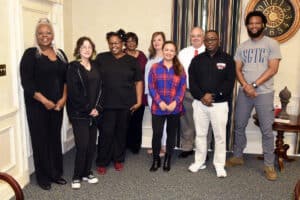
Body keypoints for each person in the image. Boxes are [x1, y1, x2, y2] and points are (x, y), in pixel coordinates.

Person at [226, 11, 281, 181]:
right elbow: (237, 69)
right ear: (247, 26)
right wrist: (245, 86)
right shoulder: (242, 46)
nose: (254, 26)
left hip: (264, 93)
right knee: (239, 124)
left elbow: (273, 69)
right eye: (251, 23)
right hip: (244, 92)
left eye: (257, 23)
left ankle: (269, 165)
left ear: (263, 24)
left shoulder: (272, 43)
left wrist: (254, 85)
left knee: (266, 130)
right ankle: (238, 156)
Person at [20, 18, 68, 190]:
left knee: (54, 139)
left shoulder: (61, 54)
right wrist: (45, 101)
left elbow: (66, 80)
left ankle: (56, 174)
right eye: (41, 33)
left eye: (48, 33)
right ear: (36, 35)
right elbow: (27, 83)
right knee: (41, 140)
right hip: (37, 106)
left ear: (52, 35)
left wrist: (63, 99)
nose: (44, 36)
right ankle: (43, 177)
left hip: (57, 106)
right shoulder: (31, 54)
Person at [188, 30, 235, 178]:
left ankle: (219, 164)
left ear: (218, 40)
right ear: (204, 41)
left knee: (220, 136)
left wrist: (213, 96)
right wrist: (202, 96)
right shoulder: (197, 60)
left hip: (219, 104)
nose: (209, 42)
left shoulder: (227, 59)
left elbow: (229, 82)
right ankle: (199, 161)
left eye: (213, 39)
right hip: (200, 103)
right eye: (207, 40)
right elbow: (192, 81)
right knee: (201, 134)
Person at [95, 30, 143, 175]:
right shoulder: (101, 58)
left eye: (116, 43)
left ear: (122, 43)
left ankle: (118, 159)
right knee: (106, 133)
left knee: (121, 133)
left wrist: (139, 100)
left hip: (125, 104)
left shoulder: (132, 61)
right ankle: (102, 161)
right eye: (111, 43)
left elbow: (138, 82)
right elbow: (93, 78)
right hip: (106, 104)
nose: (113, 45)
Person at [67, 37, 102, 189]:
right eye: (83, 47)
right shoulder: (73, 67)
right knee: (82, 145)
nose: (87, 49)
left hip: (94, 113)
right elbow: (74, 93)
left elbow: (102, 89)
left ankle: (87, 172)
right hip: (79, 113)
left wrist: (98, 108)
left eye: (89, 47)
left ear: (92, 50)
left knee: (91, 145)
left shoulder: (96, 66)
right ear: (78, 50)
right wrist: (89, 109)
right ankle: (76, 176)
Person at [148, 41, 186, 172]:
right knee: (157, 134)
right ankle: (156, 159)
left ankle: (168, 158)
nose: (169, 52)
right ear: (163, 51)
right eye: (166, 50)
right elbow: (151, 87)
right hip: (158, 108)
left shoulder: (180, 69)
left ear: (175, 53)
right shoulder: (154, 67)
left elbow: (182, 88)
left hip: (174, 108)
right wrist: (160, 102)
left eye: (171, 50)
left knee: (171, 135)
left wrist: (176, 102)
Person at [178, 27, 205, 158]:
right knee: (186, 121)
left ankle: (203, 149)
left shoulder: (209, 51)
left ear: (203, 36)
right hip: (187, 92)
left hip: (204, 94)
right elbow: (178, 72)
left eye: (198, 35)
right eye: (193, 36)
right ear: (190, 37)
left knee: (204, 123)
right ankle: (187, 147)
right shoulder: (183, 53)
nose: (195, 38)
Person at [144, 32, 167, 156]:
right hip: (150, 94)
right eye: (154, 40)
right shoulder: (151, 57)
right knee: (156, 122)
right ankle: (156, 146)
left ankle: (163, 147)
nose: (156, 42)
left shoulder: (167, 57)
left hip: (162, 95)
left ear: (164, 41)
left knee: (163, 122)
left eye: (159, 39)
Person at [124, 32, 148, 154]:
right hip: (125, 94)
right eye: (129, 41)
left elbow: (147, 73)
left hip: (140, 93)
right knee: (124, 121)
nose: (131, 43)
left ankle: (135, 146)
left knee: (137, 121)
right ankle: (123, 145)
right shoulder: (121, 55)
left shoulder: (142, 55)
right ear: (125, 43)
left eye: (134, 40)